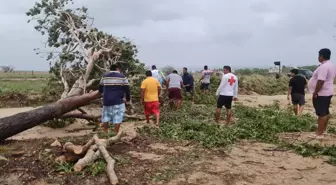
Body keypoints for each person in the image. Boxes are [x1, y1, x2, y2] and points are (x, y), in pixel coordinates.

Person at [308, 48, 336, 139]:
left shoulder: (324, 67)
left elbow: (320, 81)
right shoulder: (330, 65)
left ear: (321, 56)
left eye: (319, 55)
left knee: (321, 114)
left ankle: (319, 133)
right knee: (325, 112)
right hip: (327, 92)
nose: (318, 57)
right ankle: (323, 131)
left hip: (322, 93)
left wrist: (315, 92)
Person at [99, 64, 130, 134]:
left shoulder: (104, 77)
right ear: (117, 69)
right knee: (118, 117)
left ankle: (105, 133)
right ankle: (115, 133)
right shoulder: (123, 77)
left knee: (105, 117)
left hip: (106, 101)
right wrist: (128, 99)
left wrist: (103, 93)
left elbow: (100, 89)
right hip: (118, 101)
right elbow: (127, 90)